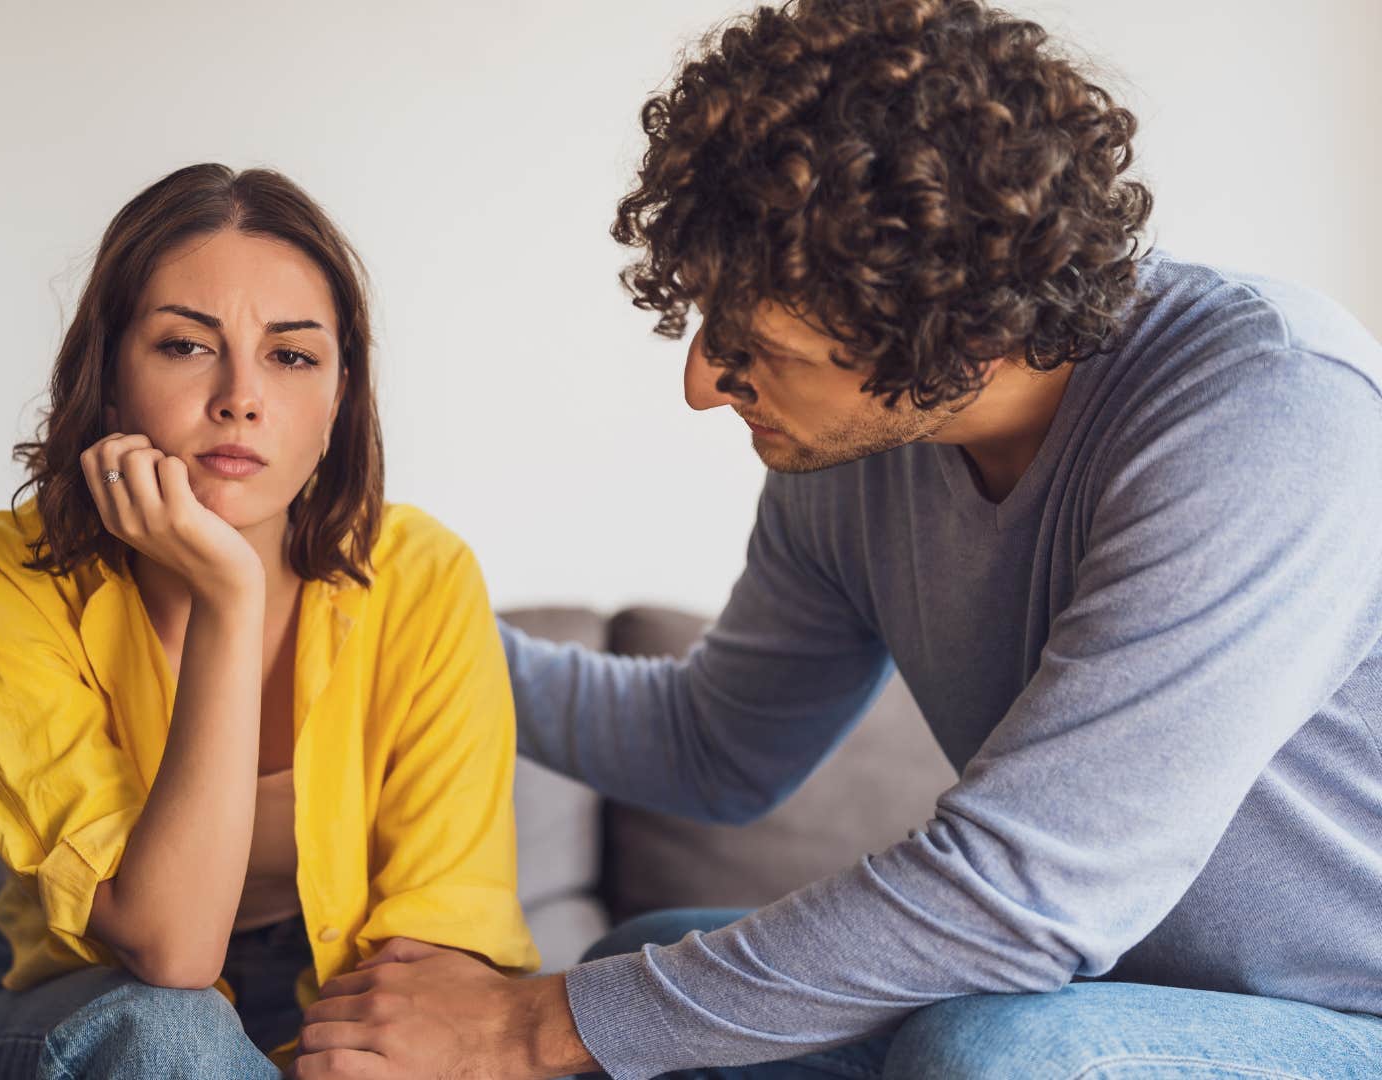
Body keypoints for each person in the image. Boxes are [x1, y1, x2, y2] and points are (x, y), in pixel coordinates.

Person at [288, 1, 1382, 1077]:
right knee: (634, 964)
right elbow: (717, 750)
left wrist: (524, 1027)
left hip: (1343, 1012)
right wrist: (394, 617)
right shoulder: (849, 465)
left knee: (1000, 1055)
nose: (701, 386)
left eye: (752, 345)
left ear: (968, 335)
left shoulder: (1270, 406)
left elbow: (1025, 898)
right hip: (1105, 987)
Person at [0, 162, 538, 1080]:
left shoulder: (423, 574)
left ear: (337, 403)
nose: (240, 396)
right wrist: (228, 594)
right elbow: (170, 951)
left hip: (331, 979)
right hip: (90, 1000)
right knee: (170, 1032)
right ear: (110, 376)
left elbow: (442, 929)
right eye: (184, 345)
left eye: (291, 356)